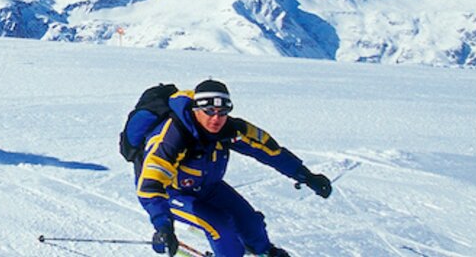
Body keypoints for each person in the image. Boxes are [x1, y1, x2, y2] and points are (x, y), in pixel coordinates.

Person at [135, 80, 332, 257]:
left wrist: (306, 176)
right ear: (196, 110)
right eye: (209, 111)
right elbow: (151, 184)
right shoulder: (173, 136)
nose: (216, 119)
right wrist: (163, 226)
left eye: (222, 113)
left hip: (208, 187)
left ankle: (262, 252)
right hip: (171, 192)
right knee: (220, 227)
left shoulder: (231, 129)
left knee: (251, 223)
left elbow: (270, 151)